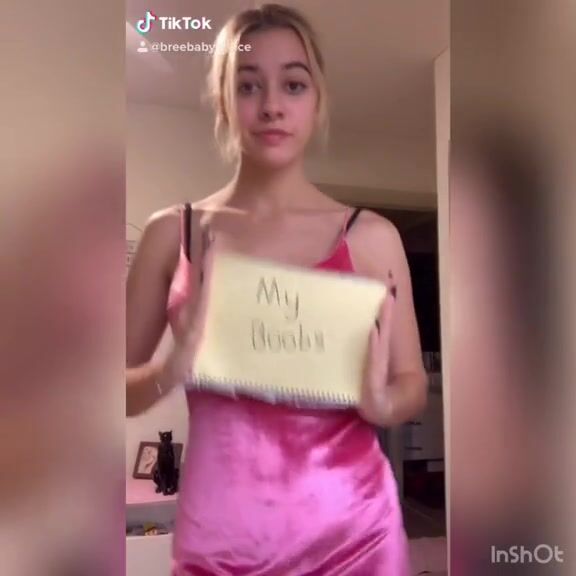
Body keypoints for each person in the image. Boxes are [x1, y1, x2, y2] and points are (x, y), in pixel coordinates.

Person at [126, 4, 428, 574]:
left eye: (293, 84)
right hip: (217, 551)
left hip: (358, 539)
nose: (271, 105)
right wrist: (173, 365)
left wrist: (385, 404)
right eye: (248, 85)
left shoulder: (371, 237)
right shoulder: (173, 233)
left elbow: (410, 379)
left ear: (318, 100)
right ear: (222, 100)